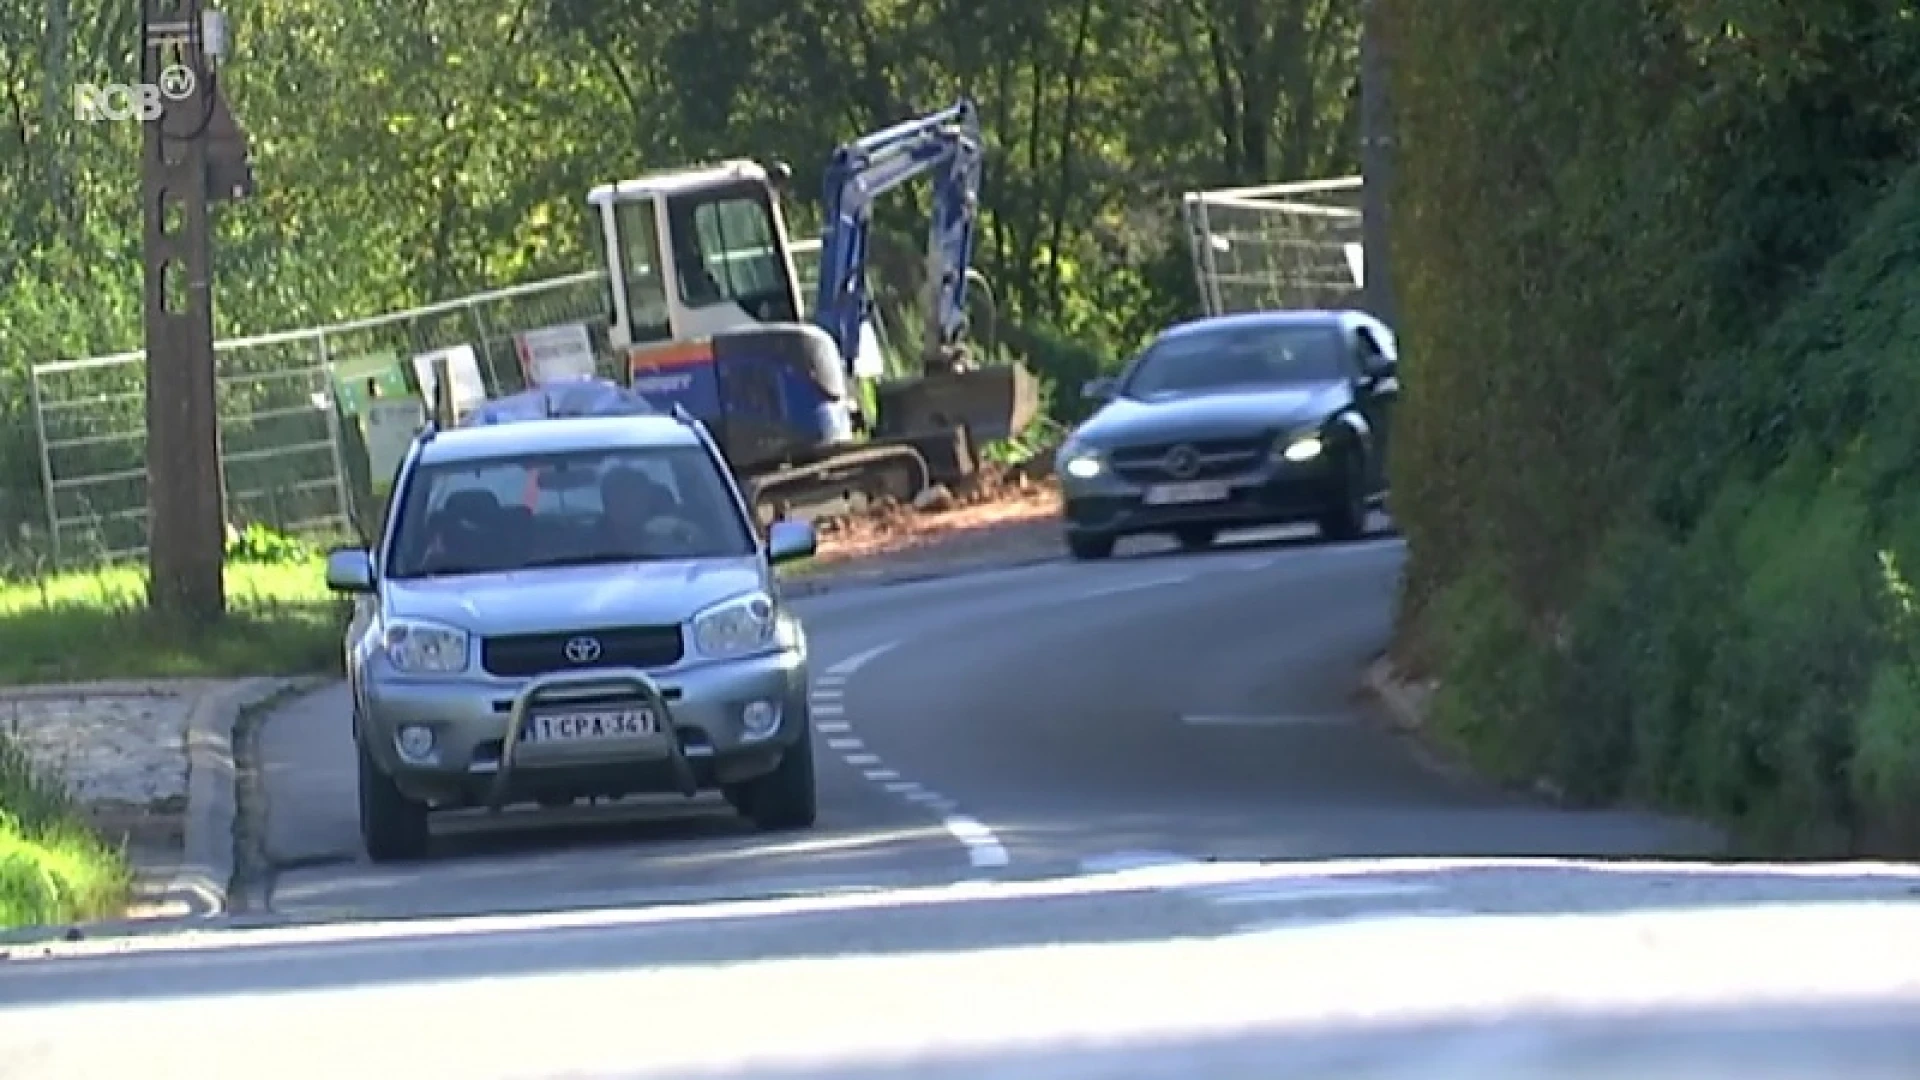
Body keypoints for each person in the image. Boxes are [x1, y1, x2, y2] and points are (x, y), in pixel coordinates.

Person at [599, 465, 701, 556]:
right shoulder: (589, 542)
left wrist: (684, 528)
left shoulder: (671, 532)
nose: (627, 503)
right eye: (619, 496)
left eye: (633, 495)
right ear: (606, 503)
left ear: (647, 499)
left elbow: (703, 545)